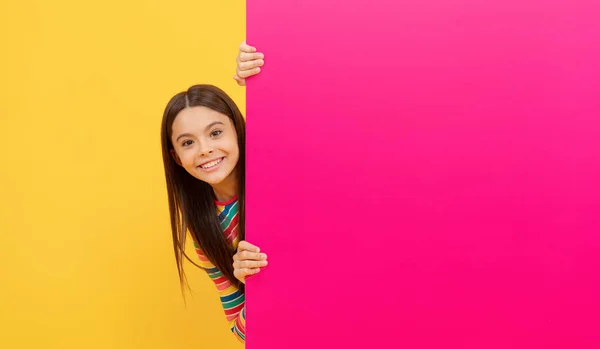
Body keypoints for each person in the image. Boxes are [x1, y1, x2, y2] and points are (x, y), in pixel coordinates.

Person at [160, 41, 266, 344]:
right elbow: (242, 335)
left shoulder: (278, 173)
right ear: (176, 157)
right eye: (188, 142)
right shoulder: (207, 232)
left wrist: (265, 81)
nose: (205, 149)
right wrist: (255, 288)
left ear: (238, 129)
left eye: (216, 132)